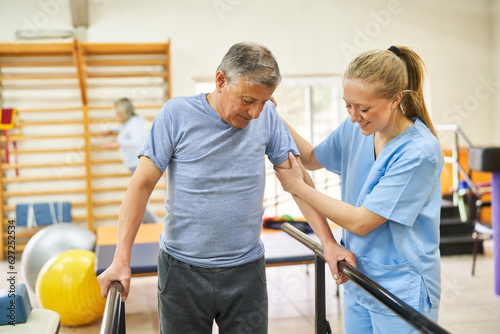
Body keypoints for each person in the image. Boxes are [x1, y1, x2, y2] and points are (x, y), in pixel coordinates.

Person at [97, 42, 355, 334]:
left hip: (246, 273)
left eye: (264, 101)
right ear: (221, 81)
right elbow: (141, 185)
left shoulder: (267, 116)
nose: (256, 113)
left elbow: (298, 183)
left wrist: (329, 244)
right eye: (248, 100)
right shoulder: (176, 114)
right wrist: (121, 259)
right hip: (182, 273)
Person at [274, 45, 443, 334]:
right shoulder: (357, 128)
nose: (354, 116)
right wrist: (273, 115)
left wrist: (297, 187)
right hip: (358, 275)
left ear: (395, 99)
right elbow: (312, 158)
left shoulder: (419, 152)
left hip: (402, 287)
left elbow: (361, 221)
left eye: (364, 108)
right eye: (348, 105)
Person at [101, 98, 158, 223]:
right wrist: (111, 132)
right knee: (138, 201)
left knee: (137, 203)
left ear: (125, 112)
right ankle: (151, 227)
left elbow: (136, 141)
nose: (118, 116)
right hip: (134, 165)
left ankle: (156, 226)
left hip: (139, 164)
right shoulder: (130, 123)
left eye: (119, 114)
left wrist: (117, 144)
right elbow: (124, 129)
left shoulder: (135, 123)